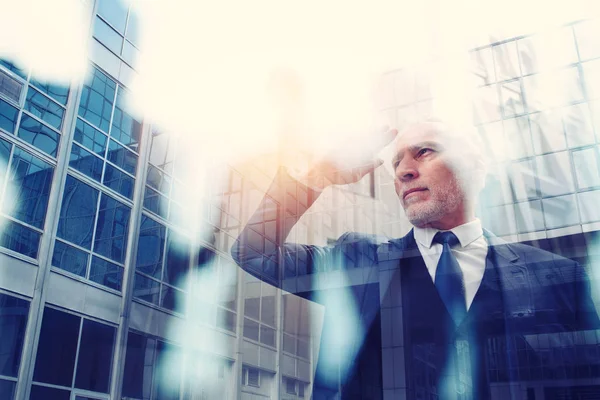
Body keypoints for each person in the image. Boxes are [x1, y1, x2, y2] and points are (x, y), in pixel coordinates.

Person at [232, 120, 599, 399]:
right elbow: (254, 253)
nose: (404, 171)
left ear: (474, 167)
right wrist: (315, 178)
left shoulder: (558, 276)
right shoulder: (357, 259)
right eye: (396, 163)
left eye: (424, 152)